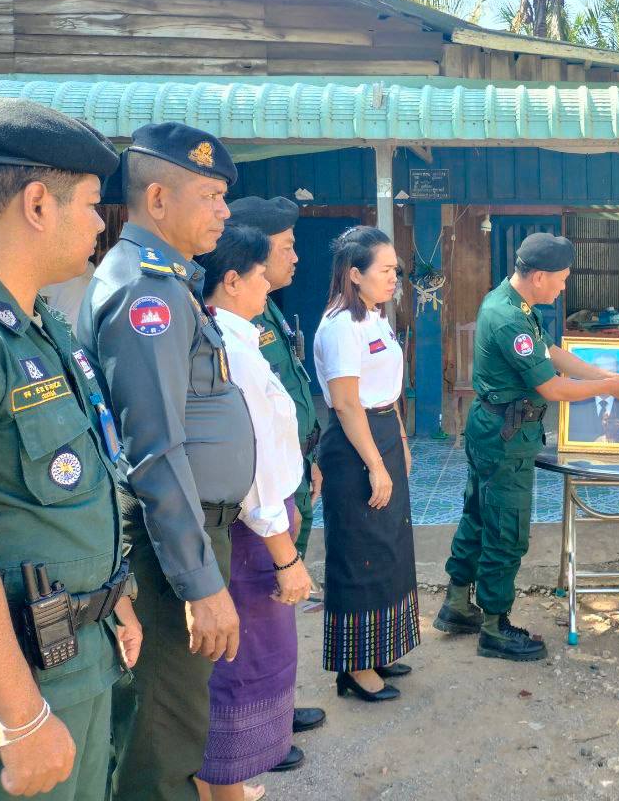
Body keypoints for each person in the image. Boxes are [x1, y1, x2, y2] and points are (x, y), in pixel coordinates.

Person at [0, 98, 141, 799]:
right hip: (8, 703)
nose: (101, 224)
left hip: (74, 660)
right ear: (38, 204)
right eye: (93, 205)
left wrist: (114, 598)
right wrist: (23, 717)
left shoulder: (36, 323)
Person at [80, 122, 256, 801]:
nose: (225, 212)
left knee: (175, 718)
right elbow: (153, 451)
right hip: (168, 546)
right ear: (157, 199)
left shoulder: (170, 283)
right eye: (210, 196)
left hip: (187, 533)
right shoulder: (145, 293)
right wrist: (200, 584)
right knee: (160, 733)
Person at [435, 233, 619, 661]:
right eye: (562, 278)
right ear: (538, 277)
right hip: (505, 436)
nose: (564, 286)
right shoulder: (509, 318)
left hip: (493, 426)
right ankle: (495, 627)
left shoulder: (513, 303)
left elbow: (551, 352)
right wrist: (608, 387)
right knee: (506, 529)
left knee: (478, 515)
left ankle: (457, 604)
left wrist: (604, 377)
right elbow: (551, 387)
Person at [194, 223, 313, 801]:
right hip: (252, 529)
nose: (271, 285)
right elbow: (256, 459)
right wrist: (285, 555)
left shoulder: (238, 338)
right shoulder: (232, 350)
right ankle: (224, 787)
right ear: (233, 280)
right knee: (241, 664)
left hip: (262, 518)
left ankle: (229, 785)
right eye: (262, 275)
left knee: (252, 655)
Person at [226, 196, 331, 741]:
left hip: (291, 474)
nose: (296, 257)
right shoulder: (234, 322)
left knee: (281, 607)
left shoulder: (264, 309)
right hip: (261, 494)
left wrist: (306, 458)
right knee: (264, 600)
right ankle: (256, 729)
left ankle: (276, 709)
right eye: (287, 247)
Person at [313, 227, 418, 702]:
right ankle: (354, 668)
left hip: (382, 433)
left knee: (389, 546)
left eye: (396, 269)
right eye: (386, 270)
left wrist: (400, 441)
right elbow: (346, 403)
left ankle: (378, 649)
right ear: (355, 274)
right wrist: (375, 464)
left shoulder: (375, 317)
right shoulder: (340, 326)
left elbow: (385, 391)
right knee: (359, 552)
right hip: (354, 445)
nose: (395, 277)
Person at [567, 353, 619, 442]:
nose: (606, 379)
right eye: (601, 373)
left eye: (611, 373)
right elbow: (569, 437)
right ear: (591, 376)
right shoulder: (575, 406)